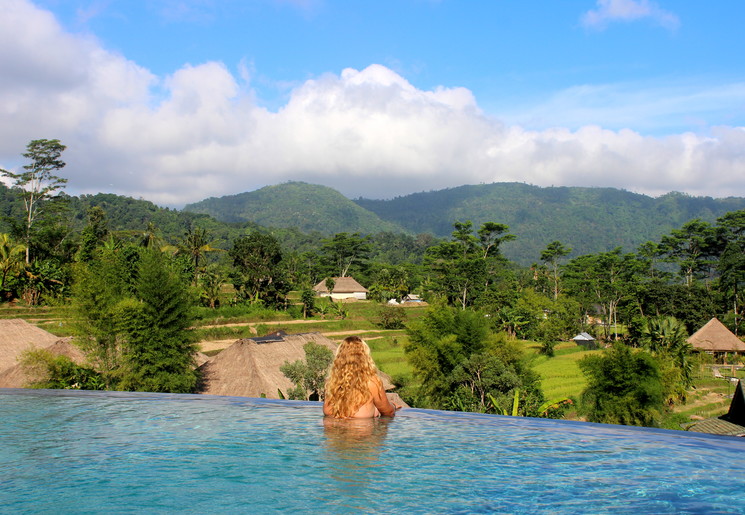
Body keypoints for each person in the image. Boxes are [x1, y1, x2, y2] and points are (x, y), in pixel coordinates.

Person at [323, 336, 400, 418]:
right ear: (365, 357)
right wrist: (393, 406)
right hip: (360, 428)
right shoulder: (371, 382)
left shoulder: (331, 382)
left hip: (334, 429)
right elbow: (388, 411)